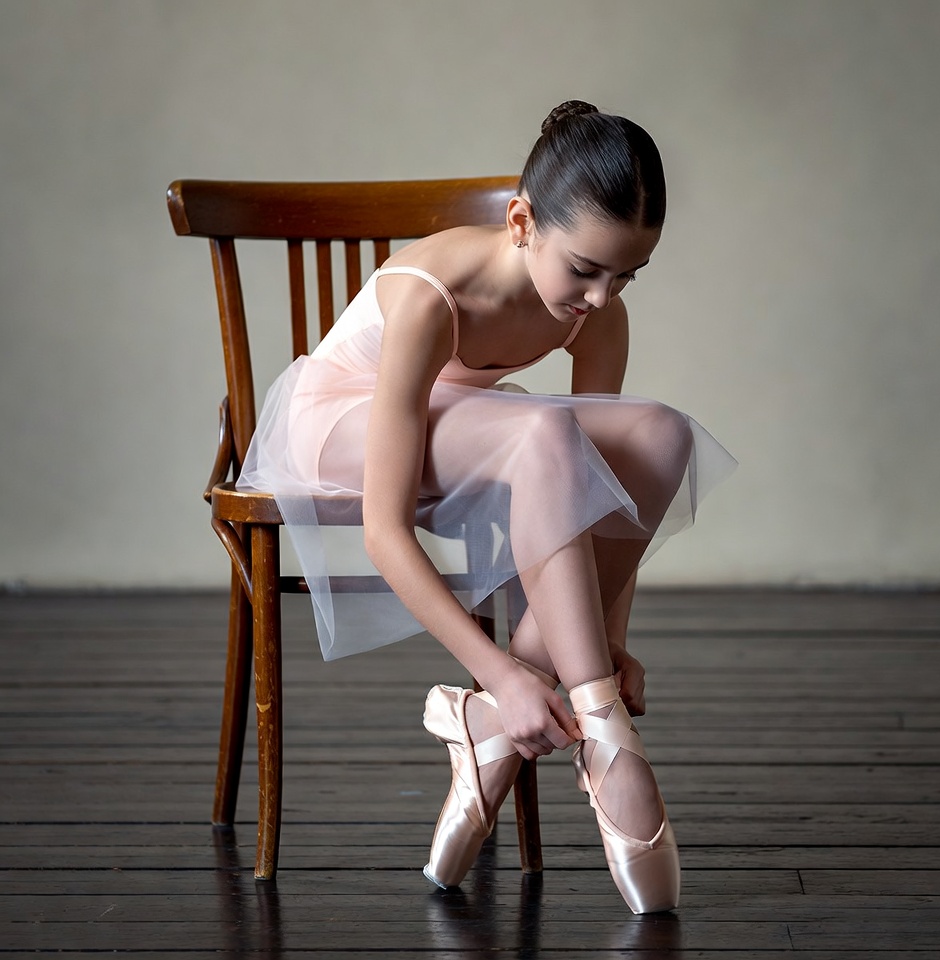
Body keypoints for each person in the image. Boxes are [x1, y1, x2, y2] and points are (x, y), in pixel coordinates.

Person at [238, 100, 736, 914]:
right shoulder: (432, 295)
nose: (603, 299)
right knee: (542, 435)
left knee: (657, 433)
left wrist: (610, 636)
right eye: (584, 269)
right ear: (520, 222)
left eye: (627, 276)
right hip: (338, 426)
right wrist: (497, 670)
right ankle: (605, 735)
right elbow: (385, 531)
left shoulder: (594, 315)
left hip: (471, 427)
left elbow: (596, 501)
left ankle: (501, 734)